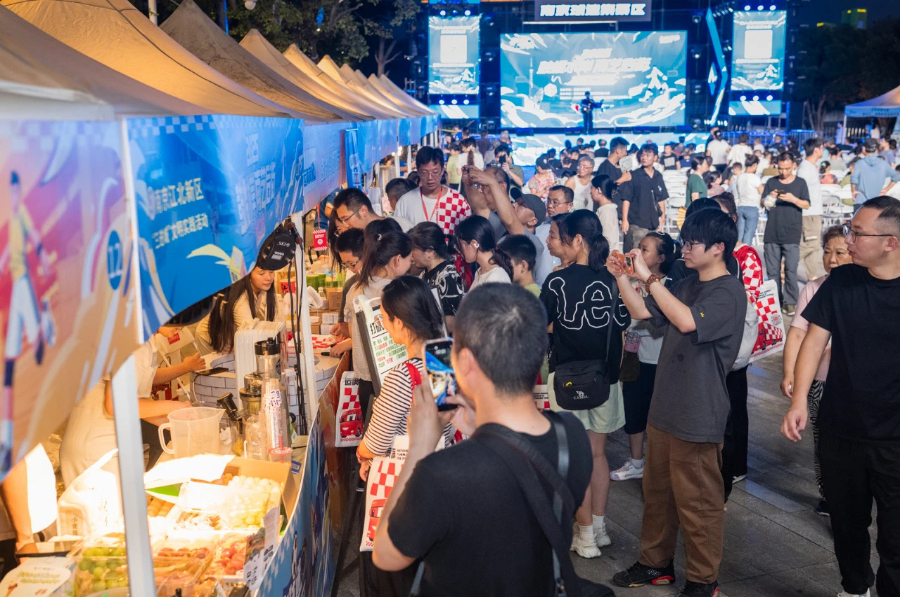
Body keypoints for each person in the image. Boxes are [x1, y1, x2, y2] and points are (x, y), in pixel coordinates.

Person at [372, 283, 596, 595]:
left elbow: (385, 555)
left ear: (465, 363)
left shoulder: (441, 473)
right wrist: (479, 425)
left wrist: (419, 448)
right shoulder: (571, 435)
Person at [610, 209, 746, 597]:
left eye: (692, 243)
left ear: (718, 248)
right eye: (684, 241)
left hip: (698, 412)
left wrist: (649, 278)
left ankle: (704, 581)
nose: (684, 249)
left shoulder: (728, 291)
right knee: (658, 496)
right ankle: (655, 563)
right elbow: (642, 313)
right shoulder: (686, 284)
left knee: (698, 503)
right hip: (665, 407)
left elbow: (687, 321)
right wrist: (622, 277)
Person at [780, 197, 900, 597]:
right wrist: (798, 401)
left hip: (895, 439)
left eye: (857, 233)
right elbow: (813, 342)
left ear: (891, 243)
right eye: (850, 229)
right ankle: (854, 588)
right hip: (840, 428)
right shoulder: (842, 281)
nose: (848, 240)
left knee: (895, 538)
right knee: (847, 525)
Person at [541, 209, 630, 558]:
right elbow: (622, 327)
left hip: (566, 380)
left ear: (577, 240)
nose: (553, 240)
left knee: (575, 458)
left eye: (557, 235)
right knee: (597, 454)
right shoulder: (613, 278)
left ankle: (586, 536)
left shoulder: (557, 282)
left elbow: (539, 324)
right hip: (604, 379)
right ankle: (600, 528)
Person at [355, 275, 451, 595]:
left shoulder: (402, 375)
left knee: (397, 567)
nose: (383, 325)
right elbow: (450, 424)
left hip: (403, 485)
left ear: (399, 322)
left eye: (384, 318)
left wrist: (362, 454)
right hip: (440, 476)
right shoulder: (443, 360)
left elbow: (377, 442)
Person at [60, 328, 203, 486]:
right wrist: (173, 407)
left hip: (98, 446)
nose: (182, 324)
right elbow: (115, 404)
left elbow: (140, 384)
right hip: (96, 451)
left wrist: (175, 423)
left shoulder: (141, 338)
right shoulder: (134, 342)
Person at [780, 225, 853, 517]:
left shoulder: (862, 286)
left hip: (854, 383)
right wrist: (790, 373)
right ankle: (829, 494)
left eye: (840, 252)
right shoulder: (813, 288)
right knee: (823, 440)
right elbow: (798, 334)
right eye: (827, 252)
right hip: (819, 380)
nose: (831, 259)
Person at [610, 232, 677, 483]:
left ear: (661, 258)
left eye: (645, 249)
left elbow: (651, 319)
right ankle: (637, 462)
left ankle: (659, 467)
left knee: (657, 415)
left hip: (659, 359)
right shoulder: (630, 281)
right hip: (634, 356)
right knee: (633, 410)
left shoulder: (669, 285)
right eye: (638, 247)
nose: (637, 252)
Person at [1, 172, 54, 468]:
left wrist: (44, 260)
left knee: (31, 339)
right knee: (19, 344)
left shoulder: (19, 211)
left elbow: (33, 236)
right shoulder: (9, 216)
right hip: (15, 284)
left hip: (21, 282)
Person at [713, 193, 761, 495]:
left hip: (737, 339)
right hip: (715, 338)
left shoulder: (745, 254)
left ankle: (737, 464)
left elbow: (752, 297)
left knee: (736, 400)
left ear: (732, 219)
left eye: (718, 214)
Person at [344, 220, 412, 409]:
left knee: (373, 427)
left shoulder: (355, 289)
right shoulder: (399, 292)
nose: (411, 264)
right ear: (397, 260)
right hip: (397, 382)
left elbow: (352, 331)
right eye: (409, 260)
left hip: (365, 381)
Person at [463, 167, 546, 266]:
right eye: (516, 201)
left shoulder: (534, 243)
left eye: (522, 204)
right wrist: (469, 184)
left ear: (532, 221)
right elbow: (480, 208)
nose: (514, 204)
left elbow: (510, 221)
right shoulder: (504, 230)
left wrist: (491, 182)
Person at [762, 153, 811, 315]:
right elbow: (763, 203)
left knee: (791, 270)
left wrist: (793, 199)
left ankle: (790, 302)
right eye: (780, 168)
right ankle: (775, 301)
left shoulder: (800, 183)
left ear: (794, 166)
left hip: (792, 233)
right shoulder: (771, 182)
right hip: (772, 232)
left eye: (787, 169)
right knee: (772, 272)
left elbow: (806, 204)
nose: (783, 172)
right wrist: (770, 197)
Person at [198, 265, 281, 354]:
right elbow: (249, 335)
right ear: (248, 275)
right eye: (261, 273)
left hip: (229, 334)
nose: (268, 278)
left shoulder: (260, 289)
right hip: (210, 336)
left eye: (271, 272)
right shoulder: (240, 300)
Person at [394, 147, 471, 236]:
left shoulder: (458, 201)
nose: (430, 178)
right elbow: (397, 236)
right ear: (418, 172)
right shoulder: (405, 202)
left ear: (442, 171)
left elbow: (467, 235)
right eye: (424, 172)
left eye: (435, 172)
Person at [409, 222, 465, 332]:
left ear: (430, 251)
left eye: (413, 249)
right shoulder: (425, 273)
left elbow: (452, 324)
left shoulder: (448, 276)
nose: (411, 255)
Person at [620, 143, 668, 252]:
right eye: (642, 155)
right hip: (637, 222)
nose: (644, 157)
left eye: (647, 155)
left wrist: (662, 217)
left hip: (653, 222)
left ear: (655, 157)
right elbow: (626, 199)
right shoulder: (634, 175)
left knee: (651, 253)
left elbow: (661, 198)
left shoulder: (658, 176)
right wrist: (625, 220)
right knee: (636, 252)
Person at [329, 228, 365, 358]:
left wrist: (351, 342)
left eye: (352, 264)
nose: (350, 269)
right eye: (345, 265)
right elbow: (345, 327)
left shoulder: (381, 283)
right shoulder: (351, 284)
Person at [797, 138, 826, 280]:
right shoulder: (805, 168)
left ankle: (812, 276)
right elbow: (799, 189)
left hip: (813, 212)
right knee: (811, 245)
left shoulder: (810, 166)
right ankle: (786, 264)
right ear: (816, 149)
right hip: (809, 213)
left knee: (813, 245)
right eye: (822, 148)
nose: (823, 150)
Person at [455, 215, 513, 288]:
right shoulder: (480, 271)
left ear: (474, 244)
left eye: (460, 245)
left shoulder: (496, 277)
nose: (458, 250)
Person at [535, 186, 574, 283]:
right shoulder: (538, 229)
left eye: (555, 202)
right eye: (548, 201)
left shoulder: (576, 230)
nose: (549, 205)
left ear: (569, 205)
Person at [851, 139, 899, 210]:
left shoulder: (859, 163)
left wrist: (853, 191)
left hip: (861, 199)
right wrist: (886, 189)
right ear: (876, 149)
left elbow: (854, 180)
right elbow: (896, 176)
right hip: (877, 200)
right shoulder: (883, 164)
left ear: (863, 148)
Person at [596, 137, 634, 212]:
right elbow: (603, 188)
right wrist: (622, 179)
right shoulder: (604, 167)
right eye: (625, 151)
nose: (626, 153)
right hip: (608, 211)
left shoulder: (616, 167)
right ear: (618, 151)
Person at [734, 155, 762, 245]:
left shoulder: (739, 177)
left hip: (740, 206)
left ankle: (736, 252)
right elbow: (761, 191)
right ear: (754, 165)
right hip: (752, 207)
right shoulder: (755, 178)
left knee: (739, 234)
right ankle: (745, 253)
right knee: (748, 234)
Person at [591, 174, 620, 250]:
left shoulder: (606, 212)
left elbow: (608, 239)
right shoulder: (607, 209)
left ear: (599, 190)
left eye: (592, 189)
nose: (590, 192)